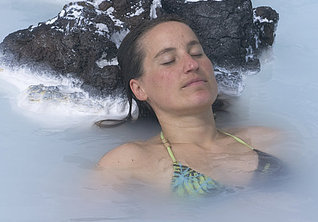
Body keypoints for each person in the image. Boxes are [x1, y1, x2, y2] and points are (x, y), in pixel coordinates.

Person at [96, 15, 282, 197]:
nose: (192, 64)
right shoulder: (128, 163)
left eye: (197, 53)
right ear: (139, 89)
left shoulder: (269, 140)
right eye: (168, 60)